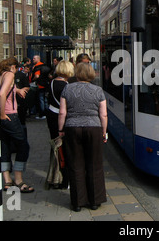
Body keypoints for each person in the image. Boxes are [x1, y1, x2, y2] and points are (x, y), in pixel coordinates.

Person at [58, 62, 107, 211]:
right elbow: (103, 114)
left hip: (72, 128)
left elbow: (62, 113)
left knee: (76, 164)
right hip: (94, 128)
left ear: (77, 73)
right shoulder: (98, 90)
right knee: (94, 164)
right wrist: (103, 132)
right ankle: (94, 201)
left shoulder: (67, 88)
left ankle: (78, 202)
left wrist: (61, 130)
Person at [0, 57, 34, 193]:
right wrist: (3, 114)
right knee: (23, 146)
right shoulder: (10, 74)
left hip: (3, 117)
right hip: (10, 115)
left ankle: (7, 180)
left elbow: (5, 90)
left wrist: (17, 90)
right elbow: (2, 94)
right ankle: (18, 180)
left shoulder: (1, 75)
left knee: (5, 146)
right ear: (12, 66)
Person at [46, 60, 74, 189]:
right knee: (65, 148)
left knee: (55, 146)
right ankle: (65, 179)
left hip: (51, 115)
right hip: (62, 117)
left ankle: (55, 175)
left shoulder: (52, 82)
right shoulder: (66, 86)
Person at [31, 55, 50, 119]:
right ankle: (47, 113)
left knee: (41, 99)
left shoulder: (37, 67)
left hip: (40, 85)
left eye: (34, 58)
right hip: (46, 84)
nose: (33, 59)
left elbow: (37, 76)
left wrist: (32, 80)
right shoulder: (44, 65)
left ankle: (42, 114)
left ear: (38, 59)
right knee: (45, 100)